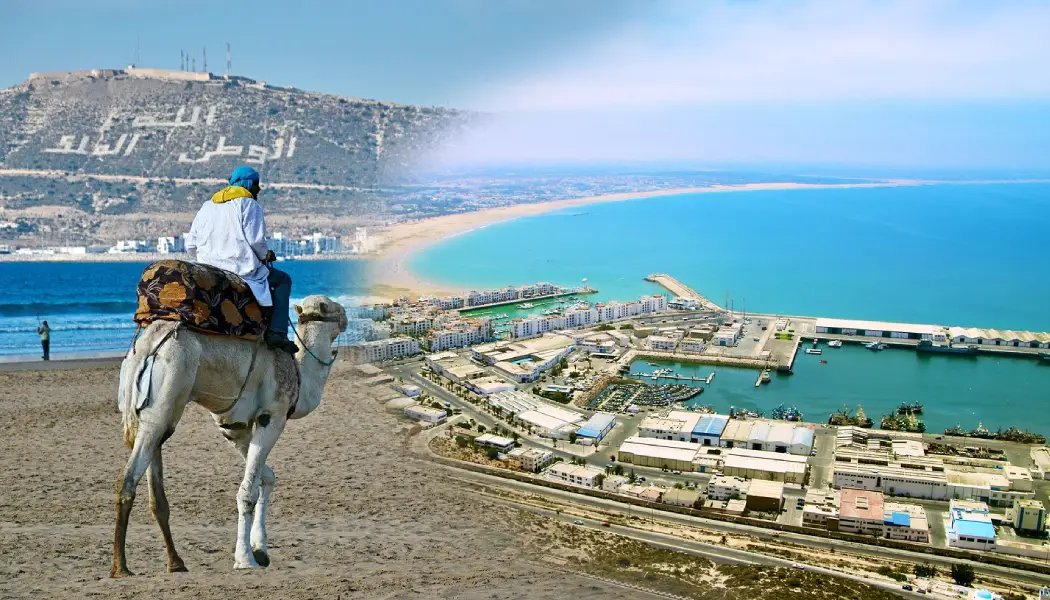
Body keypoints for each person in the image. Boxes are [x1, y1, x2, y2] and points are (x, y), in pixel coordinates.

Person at [186, 166, 297, 354]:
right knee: (282, 280)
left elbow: (190, 245)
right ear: (248, 184)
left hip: (208, 269)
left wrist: (204, 263)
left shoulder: (207, 206)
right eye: (256, 185)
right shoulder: (248, 204)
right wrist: (265, 255)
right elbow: (256, 240)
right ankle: (277, 333)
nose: (258, 190)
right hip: (239, 268)